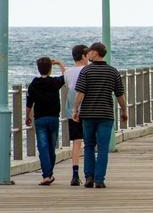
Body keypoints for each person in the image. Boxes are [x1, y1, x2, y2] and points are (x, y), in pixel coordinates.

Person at [71, 42, 127, 189]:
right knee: (102, 148)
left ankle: (89, 176)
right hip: (106, 115)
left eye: (89, 52)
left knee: (89, 146)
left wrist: (75, 110)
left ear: (95, 53)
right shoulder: (113, 72)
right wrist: (124, 110)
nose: (87, 54)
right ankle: (99, 179)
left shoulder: (86, 71)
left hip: (88, 114)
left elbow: (80, 93)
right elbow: (119, 94)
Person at [26, 57, 65, 185]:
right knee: (51, 147)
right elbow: (65, 76)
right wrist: (59, 63)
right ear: (50, 69)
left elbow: (29, 102)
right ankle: (49, 173)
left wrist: (27, 116)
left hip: (40, 119)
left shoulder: (34, 84)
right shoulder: (54, 82)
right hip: (53, 118)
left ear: (38, 69)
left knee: (42, 147)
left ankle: (47, 175)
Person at [64, 45, 88, 186]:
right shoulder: (87, 70)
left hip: (71, 111)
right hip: (87, 109)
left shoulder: (67, 72)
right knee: (90, 142)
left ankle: (75, 174)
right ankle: (90, 173)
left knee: (76, 143)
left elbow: (68, 86)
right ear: (84, 56)